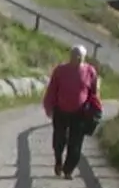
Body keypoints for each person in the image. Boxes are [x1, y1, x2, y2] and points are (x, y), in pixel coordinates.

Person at [42, 44, 101, 180]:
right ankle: (58, 160)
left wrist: (96, 109)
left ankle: (68, 170)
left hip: (80, 112)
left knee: (76, 143)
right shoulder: (60, 71)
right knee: (59, 139)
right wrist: (49, 107)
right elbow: (52, 89)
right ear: (71, 57)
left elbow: (94, 93)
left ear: (84, 58)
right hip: (61, 110)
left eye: (81, 56)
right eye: (76, 56)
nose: (78, 58)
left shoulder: (90, 71)